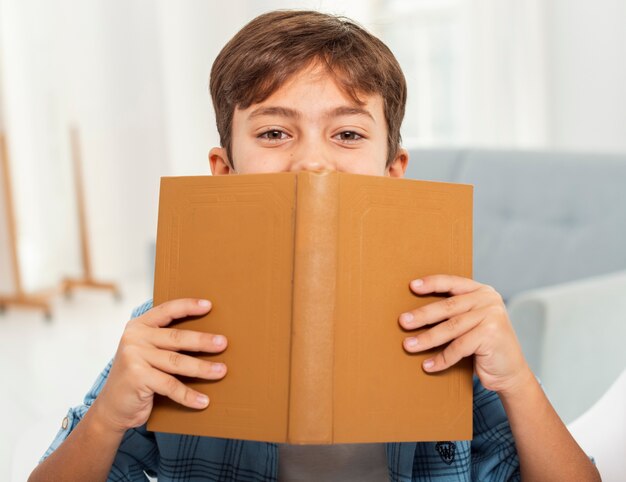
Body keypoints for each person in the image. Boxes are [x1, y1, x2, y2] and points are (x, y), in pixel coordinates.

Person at [29, 10, 599, 482]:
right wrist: (107, 419)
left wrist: (518, 381)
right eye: (274, 132)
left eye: (348, 133)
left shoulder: (454, 326)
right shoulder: (169, 330)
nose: (311, 161)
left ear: (392, 171)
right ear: (224, 173)